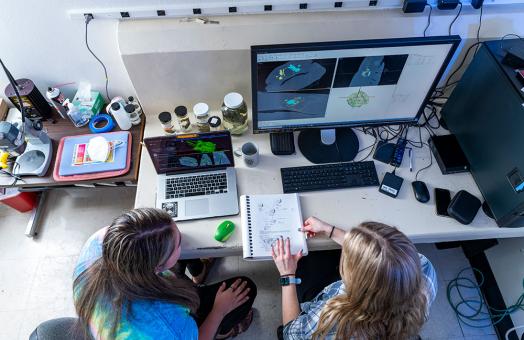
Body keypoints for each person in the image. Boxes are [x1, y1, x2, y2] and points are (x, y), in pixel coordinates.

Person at [73, 208, 257, 339]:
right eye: (177, 244)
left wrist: (170, 243)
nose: (181, 240)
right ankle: (224, 332)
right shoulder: (165, 325)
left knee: (176, 250)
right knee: (246, 288)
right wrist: (219, 311)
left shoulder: (99, 240)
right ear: (157, 268)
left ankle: (198, 273)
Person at [272, 217, 437, 340]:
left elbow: (290, 334)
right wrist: (329, 230)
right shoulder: (424, 269)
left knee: (308, 265)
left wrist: (287, 275)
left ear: (356, 279)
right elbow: (385, 254)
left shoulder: (331, 317)